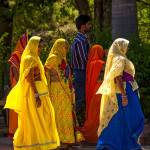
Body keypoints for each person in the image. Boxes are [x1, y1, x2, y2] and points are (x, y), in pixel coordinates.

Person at [5, 36, 60, 150]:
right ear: (33, 46)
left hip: (41, 92)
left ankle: (40, 143)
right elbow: (29, 78)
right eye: (38, 46)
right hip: (34, 94)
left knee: (42, 118)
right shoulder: (30, 59)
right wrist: (36, 95)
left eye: (41, 46)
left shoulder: (35, 58)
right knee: (35, 119)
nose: (40, 49)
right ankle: (33, 144)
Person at [96, 38, 145, 150]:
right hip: (125, 90)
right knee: (134, 116)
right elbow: (117, 76)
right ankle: (130, 142)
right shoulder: (120, 58)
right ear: (121, 47)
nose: (127, 48)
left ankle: (123, 143)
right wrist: (123, 94)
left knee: (121, 117)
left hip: (123, 90)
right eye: (126, 46)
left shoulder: (116, 58)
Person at [44, 39, 84, 150]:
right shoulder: (52, 59)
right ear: (60, 47)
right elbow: (46, 75)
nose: (67, 50)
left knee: (66, 115)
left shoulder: (63, 59)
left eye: (67, 48)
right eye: (65, 48)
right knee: (59, 116)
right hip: (56, 91)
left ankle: (67, 141)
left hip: (65, 91)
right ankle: (59, 141)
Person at [80, 45, 105, 143]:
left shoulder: (90, 64)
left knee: (93, 114)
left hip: (93, 90)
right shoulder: (102, 63)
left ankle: (89, 134)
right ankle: (99, 136)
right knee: (101, 114)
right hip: (102, 89)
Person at [8, 34, 28, 141]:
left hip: (26, 83)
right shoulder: (16, 55)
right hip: (18, 83)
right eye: (26, 42)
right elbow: (15, 69)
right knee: (17, 109)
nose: (27, 44)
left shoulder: (27, 55)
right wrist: (21, 83)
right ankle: (15, 133)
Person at [71, 15, 92, 113]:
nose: (90, 26)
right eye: (89, 24)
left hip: (80, 72)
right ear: (83, 26)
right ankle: (71, 123)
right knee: (78, 99)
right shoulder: (80, 40)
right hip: (80, 72)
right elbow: (85, 58)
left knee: (79, 98)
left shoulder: (81, 39)